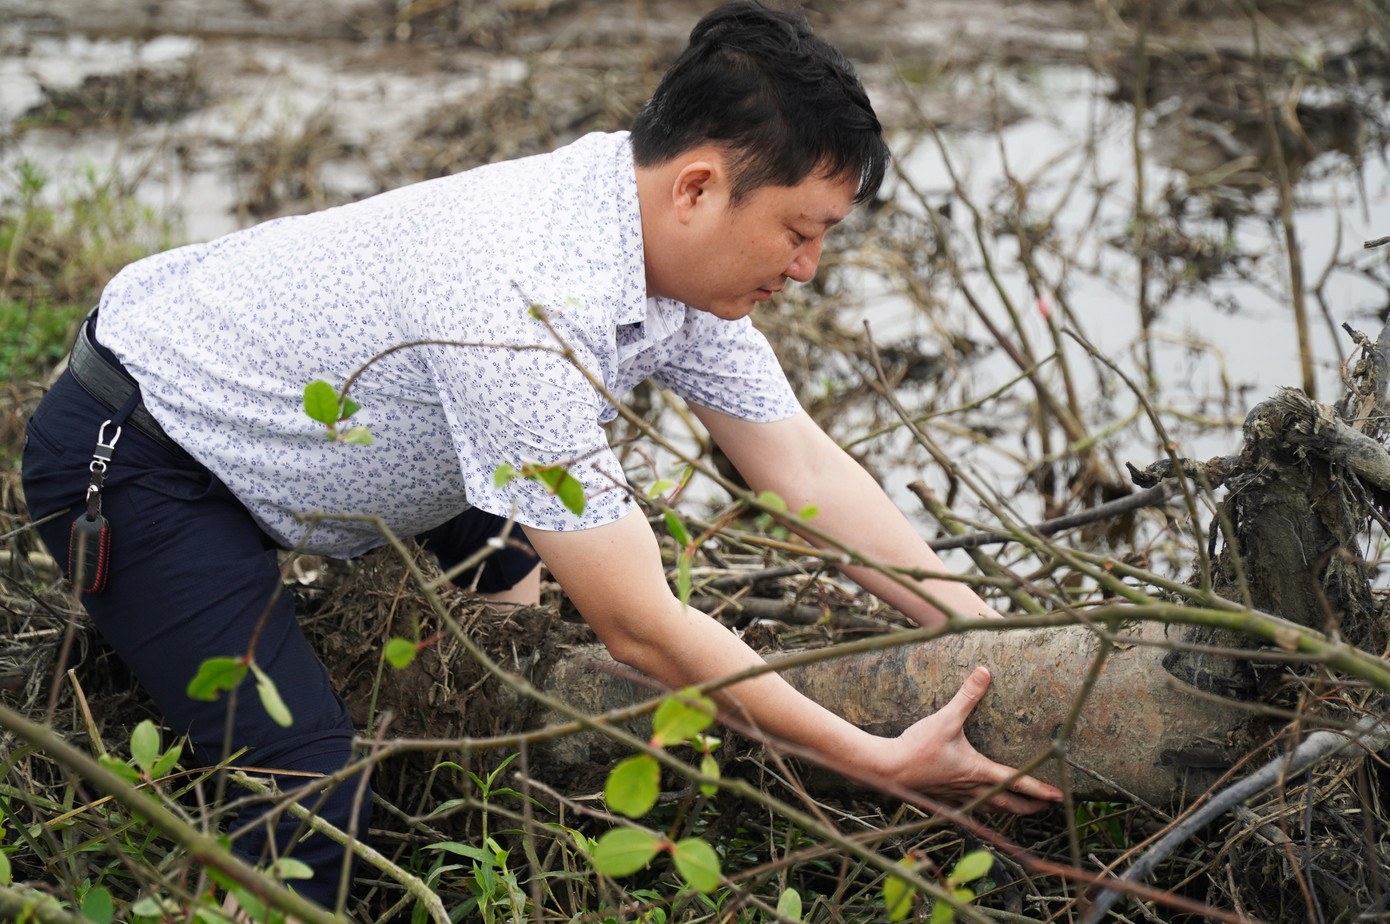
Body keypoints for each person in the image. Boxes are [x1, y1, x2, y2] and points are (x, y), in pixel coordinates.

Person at [21, 0, 1062, 911]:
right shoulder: (528, 299)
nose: (809, 267)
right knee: (311, 788)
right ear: (698, 187)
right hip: (144, 457)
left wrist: (994, 636)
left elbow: (804, 473)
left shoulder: (659, 252)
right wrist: (875, 761)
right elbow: (641, 626)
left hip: (388, 425)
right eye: (800, 232)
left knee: (517, 651)